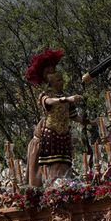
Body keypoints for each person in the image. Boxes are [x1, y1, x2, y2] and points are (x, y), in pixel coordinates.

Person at [23, 49, 83, 187]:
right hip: (49, 134)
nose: (56, 75)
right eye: (51, 72)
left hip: (64, 136)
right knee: (51, 165)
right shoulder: (45, 95)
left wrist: (90, 122)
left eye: (55, 71)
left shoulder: (66, 97)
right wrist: (67, 99)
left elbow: (74, 116)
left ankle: (63, 185)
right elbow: (49, 102)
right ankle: (50, 186)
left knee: (64, 165)